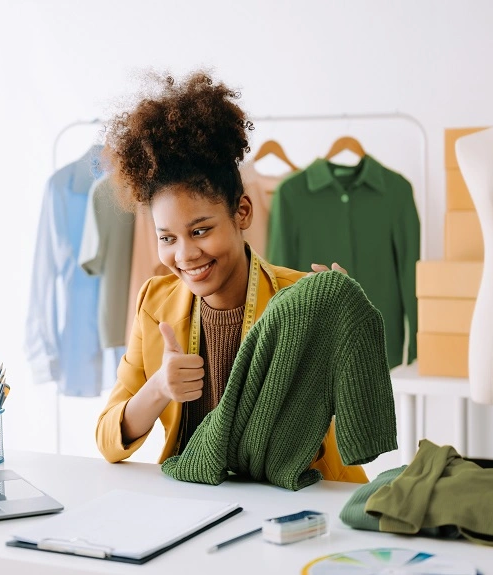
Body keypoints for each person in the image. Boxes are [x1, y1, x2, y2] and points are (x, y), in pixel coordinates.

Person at [95, 71, 367, 484]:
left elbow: (354, 421)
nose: (184, 255)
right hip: (199, 499)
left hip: (303, 497)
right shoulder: (155, 302)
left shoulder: (299, 298)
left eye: (200, 230)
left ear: (242, 212)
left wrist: (344, 334)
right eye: (167, 238)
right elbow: (107, 439)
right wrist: (159, 388)